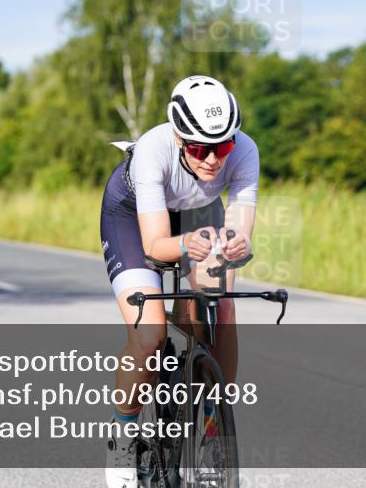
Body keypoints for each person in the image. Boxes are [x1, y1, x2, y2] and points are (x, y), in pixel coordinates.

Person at [101, 75, 259, 488]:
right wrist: (187, 243)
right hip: (133, 218)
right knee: (149, 336)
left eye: (223, 146)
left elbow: (239, 231)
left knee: (221, 305)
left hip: (198, 212)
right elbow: (155, 245)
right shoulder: (153, 150)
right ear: (178, 137)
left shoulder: (245, 150)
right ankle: (122, 437)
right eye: (200, 149)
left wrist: (236, 244)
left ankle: (212, 423)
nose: (213, 159)